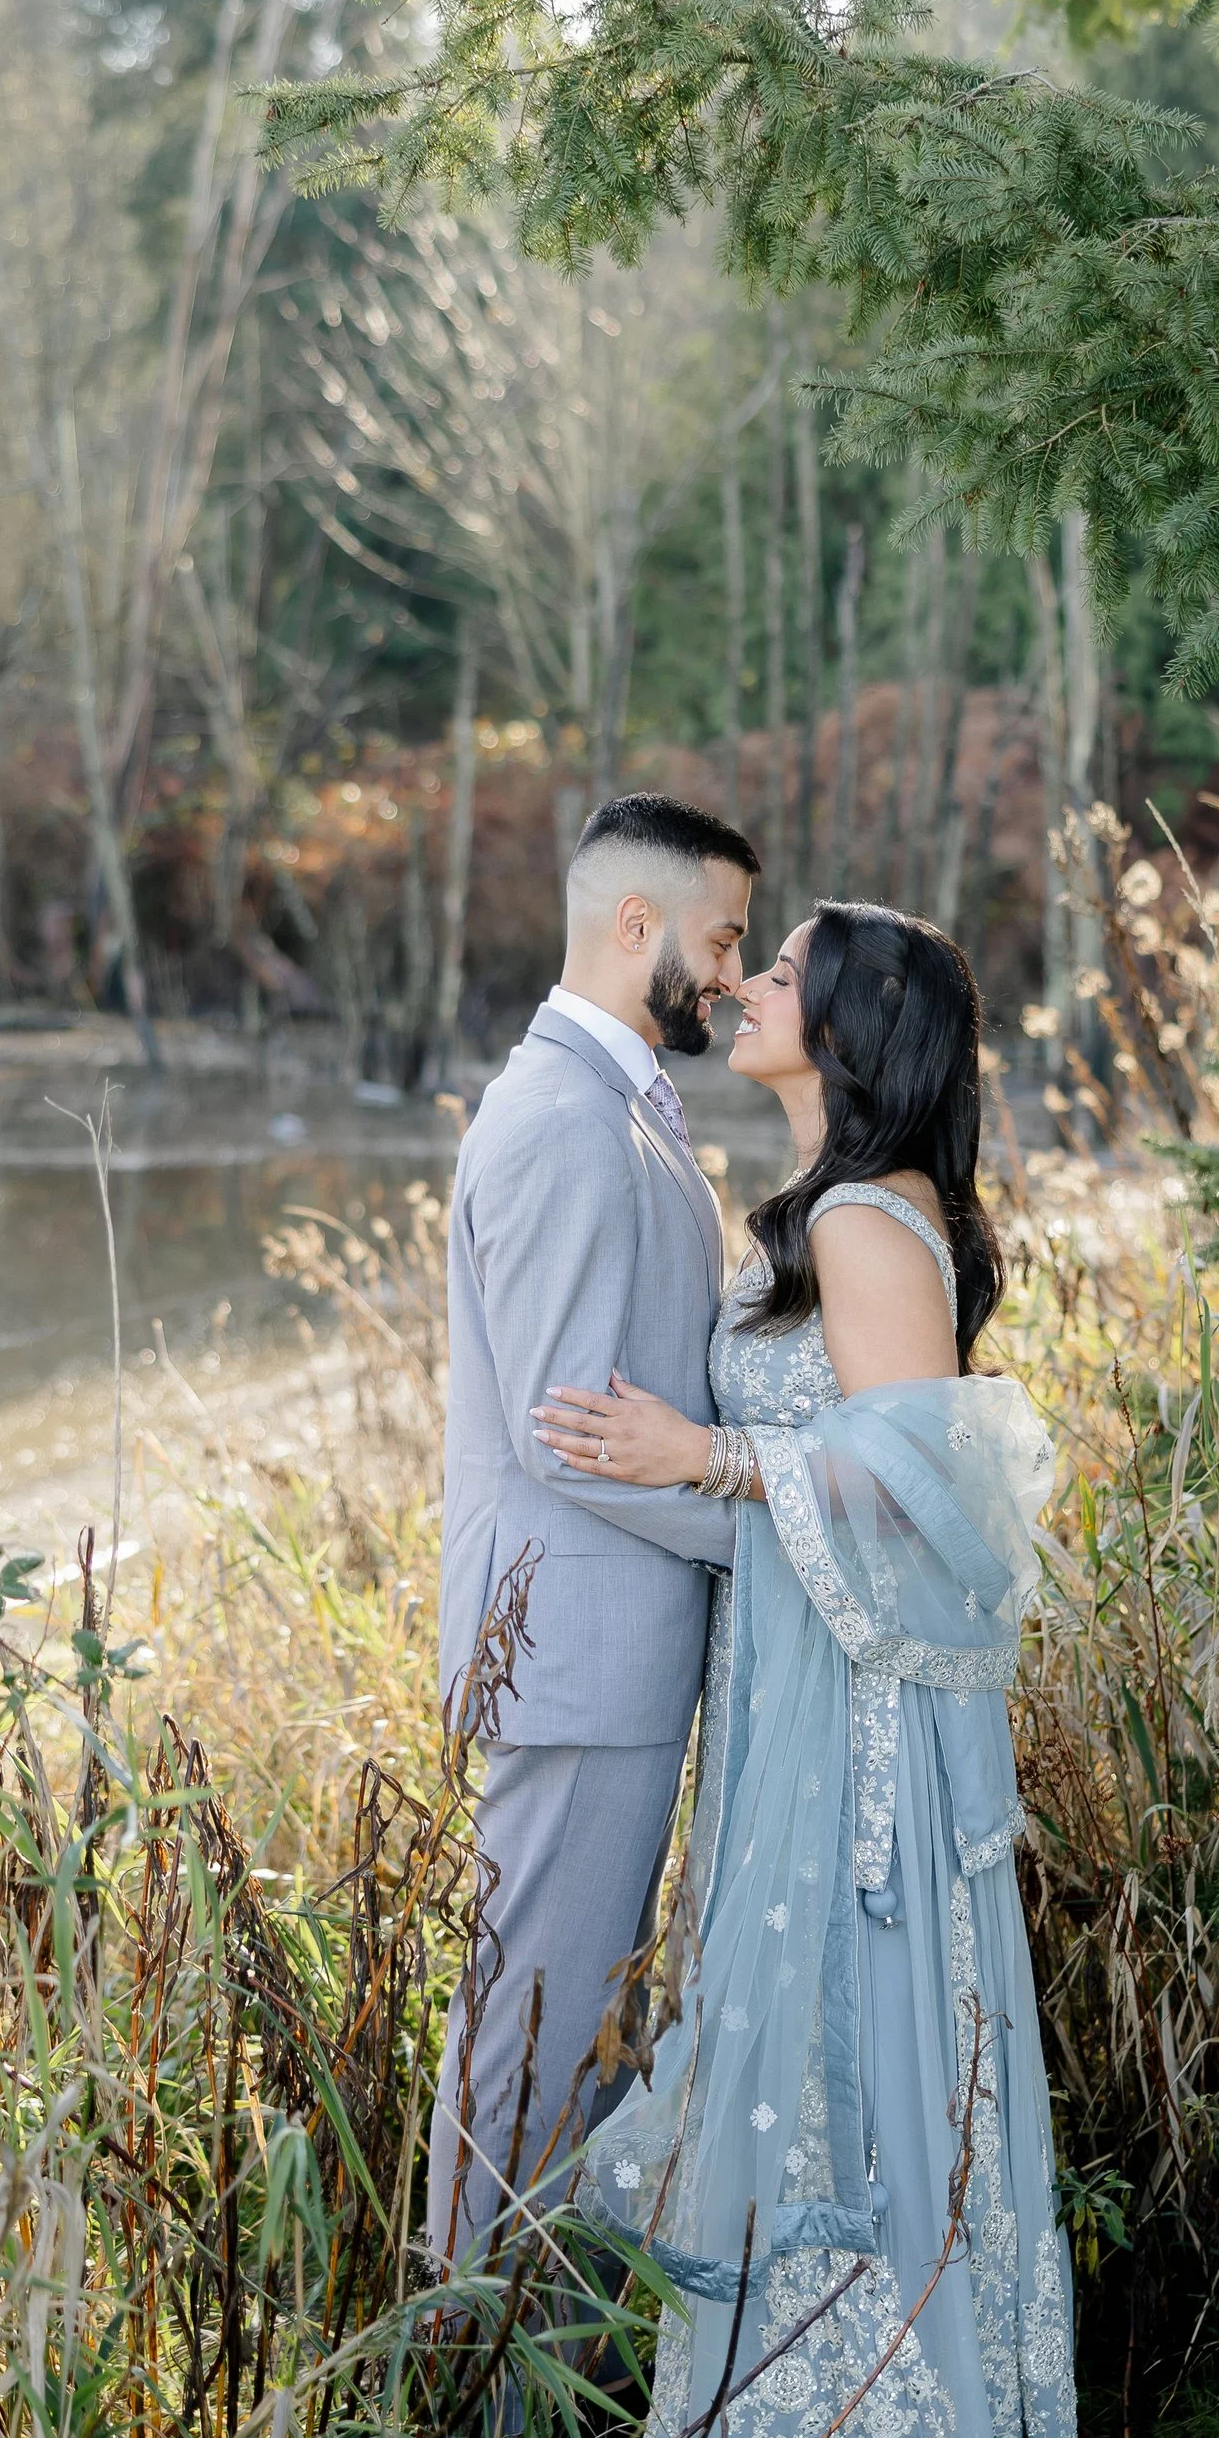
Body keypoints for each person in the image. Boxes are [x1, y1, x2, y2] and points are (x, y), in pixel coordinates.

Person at [536, 901, 1080, 2438]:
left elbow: (925, 1485)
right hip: (797, 1670)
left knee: (854, 2019)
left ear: (843, 1031)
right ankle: (803, 2429)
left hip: (861, 1712)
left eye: (781, 973)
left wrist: (701, 1455)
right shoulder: (834, 1208)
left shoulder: (861, 1220)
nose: (749, 985)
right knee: (794, 2028)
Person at [431, 790, 761, 2262]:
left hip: (608, 1655)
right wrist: (771, 1536)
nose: (733, 975)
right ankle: (468, 2379)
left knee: (582, 2048)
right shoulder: (565, 1117)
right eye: (723, 939)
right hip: (571, 1658)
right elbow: (568, 1435)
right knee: (534, 2052)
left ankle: (536, 2365)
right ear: (639, 924)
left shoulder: (617, 1100)